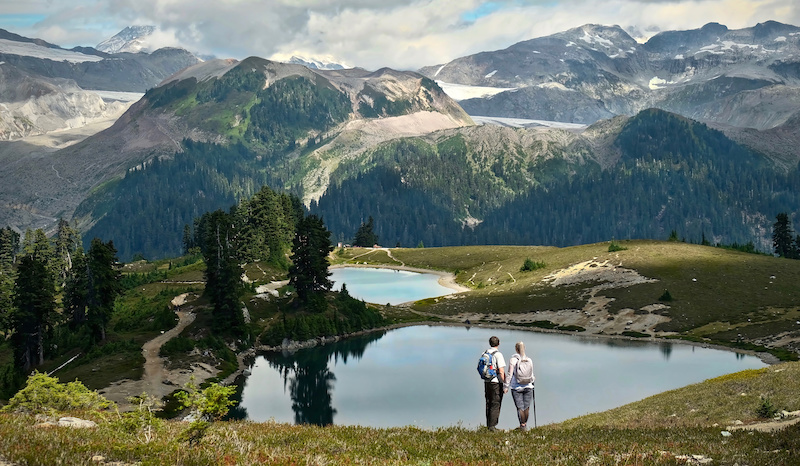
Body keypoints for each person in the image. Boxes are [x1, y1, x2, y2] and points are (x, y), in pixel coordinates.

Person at [504, 341, 535, 431]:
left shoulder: (513, 360)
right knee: (526, 407)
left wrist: (506, 386)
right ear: (524, 349)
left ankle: (522, 425)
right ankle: (524, 425)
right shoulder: (529, 360)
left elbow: (509, 374)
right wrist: (532, 380)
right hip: (528, 386)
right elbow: (532, 374)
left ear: (516, 349)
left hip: (516, 387)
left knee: (520, 407)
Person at [483, 335, 506, 431]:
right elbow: (501, 370)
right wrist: (505, 383)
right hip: (496, 382)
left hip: (487, 381)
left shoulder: (485, 353)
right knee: (495, 403)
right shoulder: (498, 354)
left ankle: (489, 425)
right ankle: (492, 426)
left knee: (488, 402)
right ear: (498, 344)